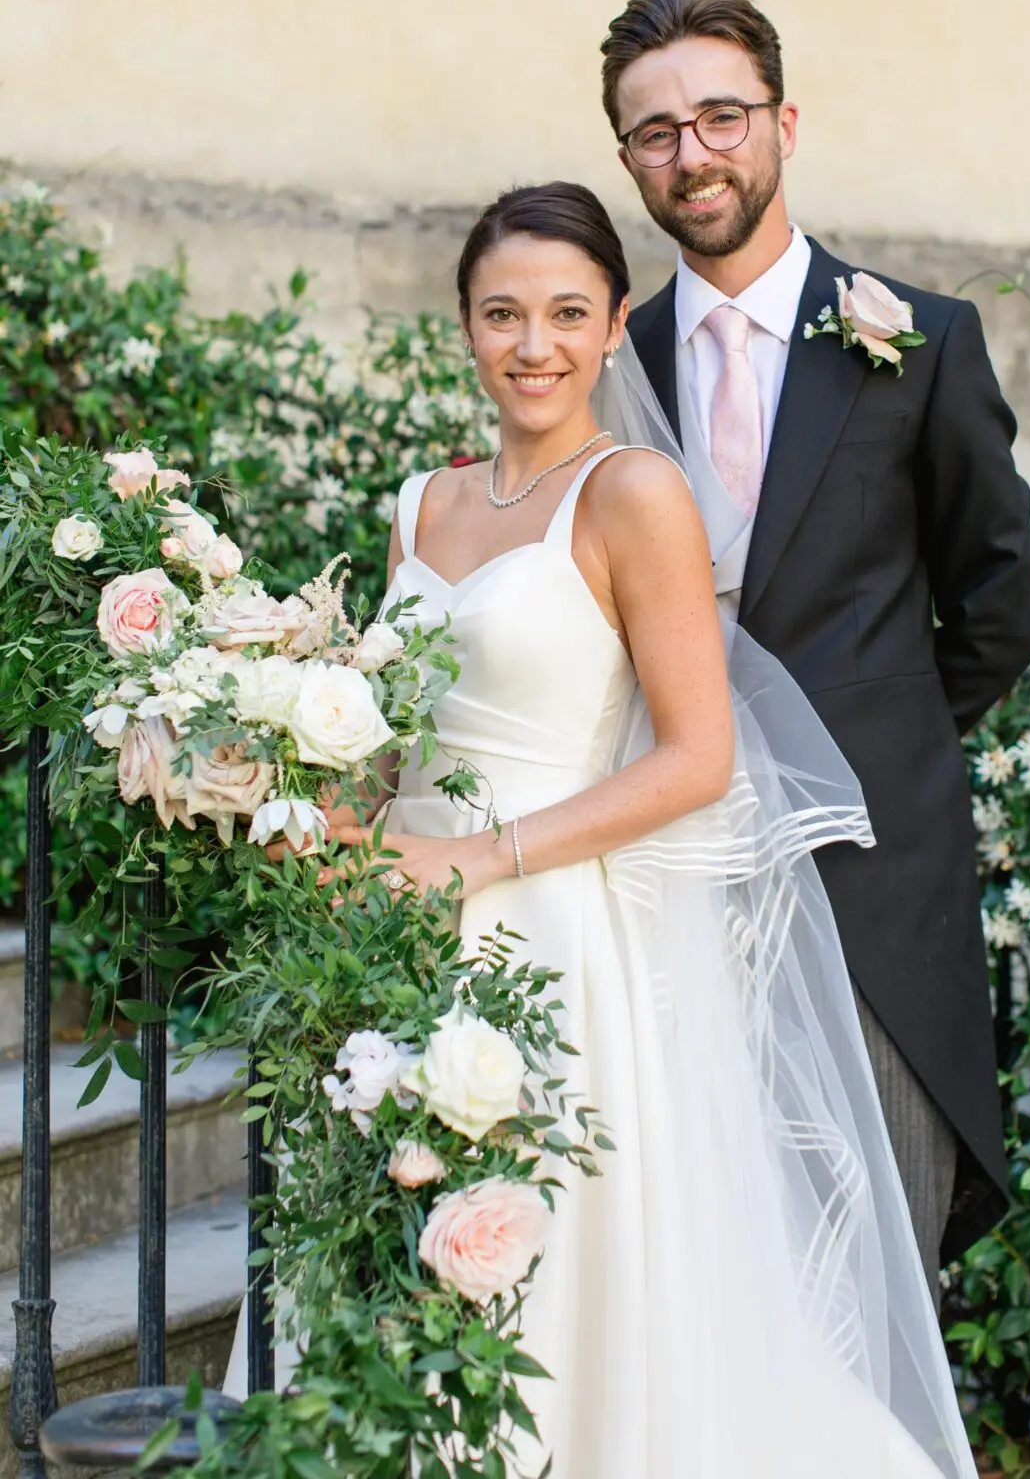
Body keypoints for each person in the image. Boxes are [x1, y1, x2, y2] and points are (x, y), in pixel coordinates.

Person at [234, 180, 979, 1478]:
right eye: (504, 313)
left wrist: (484, 856)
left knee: (551, 1280)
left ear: (614, 324)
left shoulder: (633, 495)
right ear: (465, 325)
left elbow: (702, 757)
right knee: (380, 1254)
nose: (536, 344)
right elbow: (391, 733)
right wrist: (318, 818)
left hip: (557, 937)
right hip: (398, 938)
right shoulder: (423, 504)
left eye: (569, 313)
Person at [604, 0, 1030, 1285]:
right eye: (655, 132)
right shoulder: (613, 362)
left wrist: (865, 744)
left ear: (783, 122)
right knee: (701, 1276)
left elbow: (1000, 605)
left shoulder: (918, 341)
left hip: (873, 891)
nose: (693, 154)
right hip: (671, 890)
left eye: (721, 116)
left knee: (875, 1270)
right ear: (627, 157)